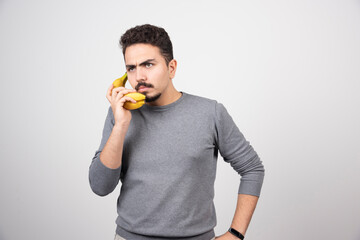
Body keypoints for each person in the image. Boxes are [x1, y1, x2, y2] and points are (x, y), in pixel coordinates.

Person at [89, 24, 265, 240]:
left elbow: (252, 168)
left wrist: (236, 234)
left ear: (171, 68)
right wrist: (120, 125)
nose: (139, 76)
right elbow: (100, 186)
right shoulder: (119, 114)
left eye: (148, 64)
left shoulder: (210, 112)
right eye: (131, 68)